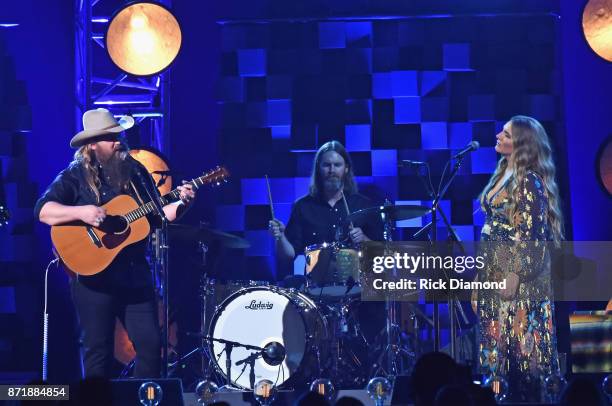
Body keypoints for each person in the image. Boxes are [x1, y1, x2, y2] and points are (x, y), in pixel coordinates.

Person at [34, 108, 196, 378]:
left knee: (150, 347)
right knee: (98, 352)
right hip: (93, 278)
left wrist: (183, 202)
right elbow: (42, 211)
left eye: (119, 134)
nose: (119, 141)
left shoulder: (135, 170)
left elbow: (157, 215)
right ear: (93, 144)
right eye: (111, 137)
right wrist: (82, 212)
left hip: (133, 275)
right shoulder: (74, 175)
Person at [476, 115, 564, 402]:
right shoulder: (502, 173)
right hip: (493, 272)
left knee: (521, 351)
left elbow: (530, 235)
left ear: (522, 145)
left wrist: (513, 275)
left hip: (519, 280)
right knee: (496, 349)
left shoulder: (530, 182)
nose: (499, 136)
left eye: (507, 135)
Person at [268, 140, 381, 266]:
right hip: (316, 283)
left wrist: (364, 239)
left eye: (337, 165)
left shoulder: (363, 205)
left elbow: (381, 255)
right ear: (318, 169)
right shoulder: (303, 207)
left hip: (356, 282)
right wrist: (280, 236)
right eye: (326, 165)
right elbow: (288, 255)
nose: (331, 170)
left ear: (346, 169)